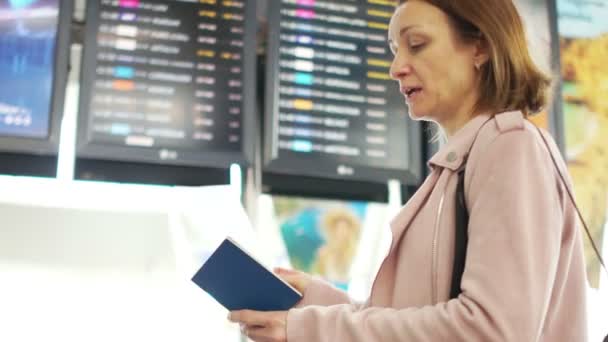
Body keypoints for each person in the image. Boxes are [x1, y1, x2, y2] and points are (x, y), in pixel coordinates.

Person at [229, 0, 588, 340]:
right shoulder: (459, 166)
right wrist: (317, 301)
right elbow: (418, 318)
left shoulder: (511, 146)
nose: (396, 67)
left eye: (416, 44)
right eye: (395, 50)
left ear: (481, 46)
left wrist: (311, 328)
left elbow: (492, 330)